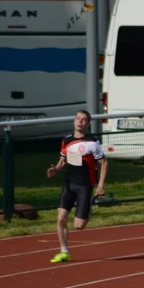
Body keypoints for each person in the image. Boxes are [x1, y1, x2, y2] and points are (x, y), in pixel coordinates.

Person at [46, 110, 108, 263]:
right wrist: (56, 170)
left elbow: (104, 163)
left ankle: (87, 210)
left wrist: (100, 185)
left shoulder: (92, 142)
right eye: (78, 119)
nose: (80, 122)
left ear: (88, 123)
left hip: (85, 186)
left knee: (79, 226)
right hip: (69, 183)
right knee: (61, 218)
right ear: (74, 121)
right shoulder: (66, 140)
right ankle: (64, 251)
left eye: (84, 120)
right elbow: (63, 161)